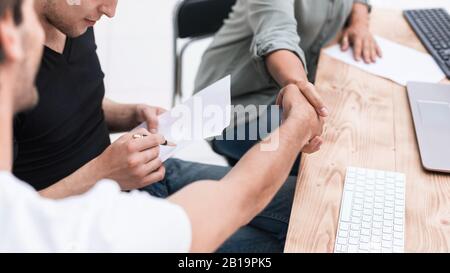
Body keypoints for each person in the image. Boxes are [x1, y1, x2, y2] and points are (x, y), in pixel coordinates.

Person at [6, 0, 324, 252]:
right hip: (95, 217)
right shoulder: (12, 67)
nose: (110, 11)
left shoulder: (72, 18)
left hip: (144, 173)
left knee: (309, 204)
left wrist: (129, 113)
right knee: (293, 240)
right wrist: (101, 173)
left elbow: (55, 110)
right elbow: (15, 222)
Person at [194, 0, 381, 173]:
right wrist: (297, 85)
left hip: (282, 89)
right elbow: (276, 36)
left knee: (360, 131)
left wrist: (359, 22)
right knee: (337, 156)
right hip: (231, 108)